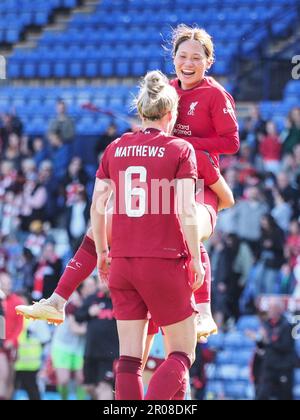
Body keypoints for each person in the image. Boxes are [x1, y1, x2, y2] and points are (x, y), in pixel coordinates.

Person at [16, 25, 238, 343]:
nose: (188, 63)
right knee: (101, 229)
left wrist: (184, 141)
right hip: (162, 177)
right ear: (173, 58)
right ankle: (57, 300)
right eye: (182, 56)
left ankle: (203, 312)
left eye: (196, 57)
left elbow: (230, 143)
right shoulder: (167, 90)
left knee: (189, 227)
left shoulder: (215, 94)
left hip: (199, 180)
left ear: (208, 61)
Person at [91, 70, 205, 400]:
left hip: (123, 261)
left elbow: (98, 208)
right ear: (171, 115)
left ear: (141, 113)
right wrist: (196, 258)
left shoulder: (116, 148)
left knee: (129, 359)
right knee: (183, 353)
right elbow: (186, 209)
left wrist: (102, 252)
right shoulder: (180, 148)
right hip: (164, 260)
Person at [75, 278, 118, 400]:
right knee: (89, 387)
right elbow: (78, 316)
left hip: (110, 354)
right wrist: (89, 312)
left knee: (104, 387)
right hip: (91, 352)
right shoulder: (92, 299)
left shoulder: (119, 300)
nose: (102, 284)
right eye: (100, 281)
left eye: (105, 281)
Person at [0, 272, 24, 400]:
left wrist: (12, 340)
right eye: (3, 284)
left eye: (8, 284)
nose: (6, 287)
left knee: (10, 379)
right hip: (1, 347)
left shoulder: (17, 302)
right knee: (3, 376)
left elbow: (20, 326)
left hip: (12, 346)